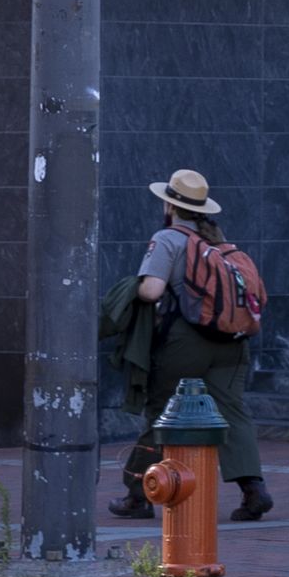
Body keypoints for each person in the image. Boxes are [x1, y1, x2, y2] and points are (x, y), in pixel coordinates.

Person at [103, 167, 268, 524]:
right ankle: (254, 489)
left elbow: (151, 291)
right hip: (233, 342)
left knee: (162, 412)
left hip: (184, 341)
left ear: (169, 207)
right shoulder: (221, 244)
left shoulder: (169, 239)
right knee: (232, 412)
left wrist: (130, 287)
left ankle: (137, 493)